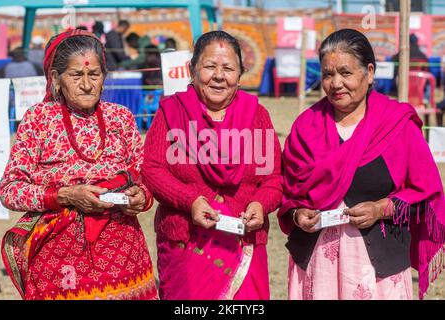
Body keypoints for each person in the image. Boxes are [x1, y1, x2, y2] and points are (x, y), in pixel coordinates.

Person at [278, 29, 445, 300]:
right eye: (328, 74)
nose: (335, 83)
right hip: (318, 263)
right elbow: (286, 192)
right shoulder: (305, 127)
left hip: (378, 269)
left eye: (345, 73)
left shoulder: (397, 125)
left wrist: (382, 208)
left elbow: (425, 194)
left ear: (369, 73)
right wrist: (298, 214)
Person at [0, 29, 158, 300]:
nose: (86, 84)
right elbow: (10, 189)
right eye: (76, 75)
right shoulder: (38, 119)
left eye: (94, 75)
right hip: (60, 262)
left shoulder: (121, 118)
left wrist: (140, 197)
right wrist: (65, 195)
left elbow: (146, 179)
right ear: (55, 79)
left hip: (124, 257)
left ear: (104, 77)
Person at [141, 30, 282, 300]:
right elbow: (152, 168)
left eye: (228, 68)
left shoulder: (256, 115)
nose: (219, 76)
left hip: (244, 244)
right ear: (193, 70)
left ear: (240, 75)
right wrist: (191, 201)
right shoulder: (173, 112)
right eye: (209, 66)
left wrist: (260, 204)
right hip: (187, 244)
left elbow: (274, 177)